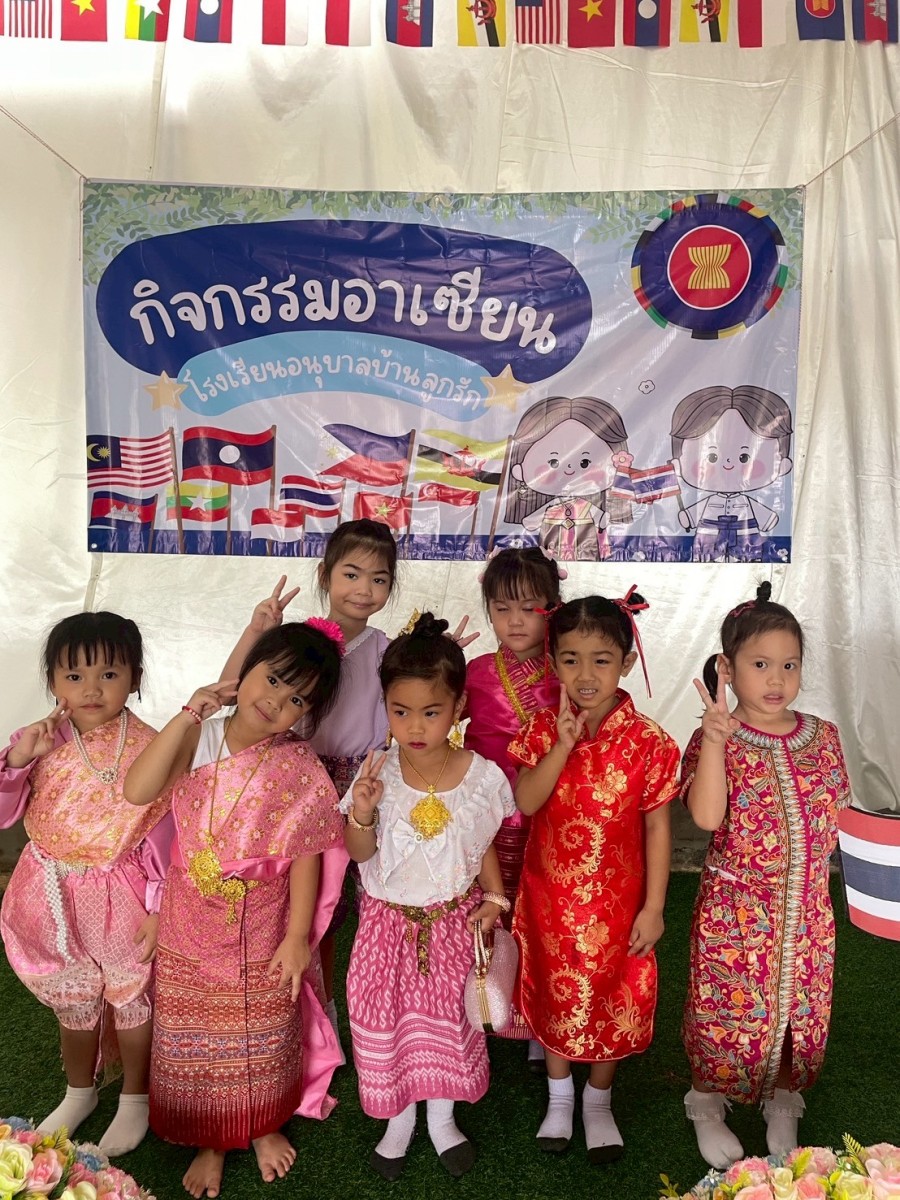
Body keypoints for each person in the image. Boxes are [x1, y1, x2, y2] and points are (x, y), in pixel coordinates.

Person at [124, 621, 346, 1200]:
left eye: (297, 699)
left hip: (267, 917)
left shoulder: (298, 763)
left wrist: (297, 936)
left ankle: (266, 1123)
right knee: (197, 1028)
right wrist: (190, 712)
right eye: (272, 679)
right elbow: (137, 791)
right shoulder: (200, 737)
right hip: (189, 916)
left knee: (266, 1024)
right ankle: (212, 1140)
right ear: (245, 671)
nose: (276, 701)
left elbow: (305, 854)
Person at [680, 582, 850, 1169]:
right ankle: (706, 1102)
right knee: (725, 1013)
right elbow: (707, 817)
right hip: (737, 919)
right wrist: (715, 742)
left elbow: (838, 814)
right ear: (727, 669)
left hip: (808, 916)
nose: (776, 679)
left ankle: (783, 1101)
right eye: (760, 665)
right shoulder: (713, 737)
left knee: (799, 1015)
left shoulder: (823, 735)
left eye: (789, 665)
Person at [342, 613, 514, 1181]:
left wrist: (495, 897)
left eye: (431, 711)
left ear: (459, 705)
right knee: (387, 1018)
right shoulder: (377, 772)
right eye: (400, 711)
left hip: (451, 924)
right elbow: (360, 853)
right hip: (385, 926)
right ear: (385, 706)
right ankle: (398, 1120)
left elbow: (481, 843)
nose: (415, 726)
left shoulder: (482, 776)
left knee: (446, 1019)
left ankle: (442, 1118)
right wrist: (363, 812)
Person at [509, 593, 679, 1164]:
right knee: (555, 991)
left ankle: (598, 1100)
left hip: (620, 902)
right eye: (571, 658)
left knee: (616, 990)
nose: (585, 674)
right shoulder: (541, 729)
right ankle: (560, 1096)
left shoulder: (651, 742)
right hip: (550, 897)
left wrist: (654, 907)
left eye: (601, 659)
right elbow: (527, 801)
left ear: (626, 662)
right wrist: (562, 746)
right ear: (553, 662)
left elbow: (657, 828)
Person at [220, 519, 397, 1045]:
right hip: (291, 779)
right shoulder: (297, 642)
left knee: (353, 902)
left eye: (379, 579)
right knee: (301, 899)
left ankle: (346, 1007)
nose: (364, 589)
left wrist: (436, 659)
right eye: (351, 574)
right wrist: (257, 631)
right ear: (325, 575)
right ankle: (302, 1003)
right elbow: (231, 689)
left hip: (360, 784)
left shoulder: (388, 649)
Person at [0, 611, 171, 1156]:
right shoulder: (37, 740)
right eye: (74, 676)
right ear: (53, 681)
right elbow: (4, 815)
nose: (91, 689)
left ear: (135, 677)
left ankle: (135, 1097)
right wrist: (18, 760)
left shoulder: (153, 744)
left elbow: (167, 832)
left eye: (109, 674)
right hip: (48, 888)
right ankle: (80, 1092)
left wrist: (159, 905)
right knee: (71, 993)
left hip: (122, 890)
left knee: (131, 992)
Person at [463, 545, 562, 1067]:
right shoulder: (475, 671)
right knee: (489, 908)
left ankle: (537, 1015)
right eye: (502, 609)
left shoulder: (567, 671)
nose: (515, 621)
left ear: (553, 608)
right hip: (487, 815)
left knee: (541, 915)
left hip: (550, 814)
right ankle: (488, 1004)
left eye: (529, 608)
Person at [504, 395, 635, 561]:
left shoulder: (585, 506)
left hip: (585, 555)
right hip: (551, 556)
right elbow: (530, 523)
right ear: (519, 470)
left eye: (585, 462)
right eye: (553, 462)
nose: (570, 470)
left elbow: (603, 520)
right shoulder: (551, 507)